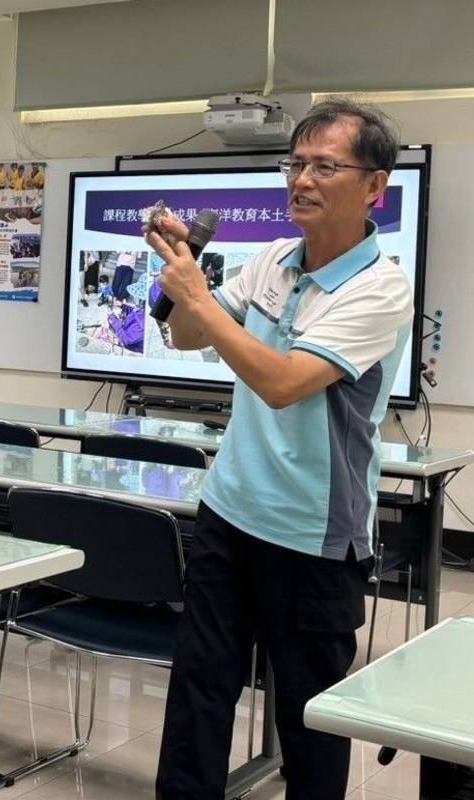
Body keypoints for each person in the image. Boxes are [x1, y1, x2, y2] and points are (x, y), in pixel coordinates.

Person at [148, 100, 413, 799]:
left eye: (326, 166)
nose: (302, 179)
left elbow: (283, 383)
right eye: (295, 163)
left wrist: (199, 301)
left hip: (312, 539)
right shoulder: (273, 258)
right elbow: (186, 338)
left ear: (374, 188)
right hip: (229, 513)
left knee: (311, 726)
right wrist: (183, 271)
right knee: (198, 698)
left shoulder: (380, 289)